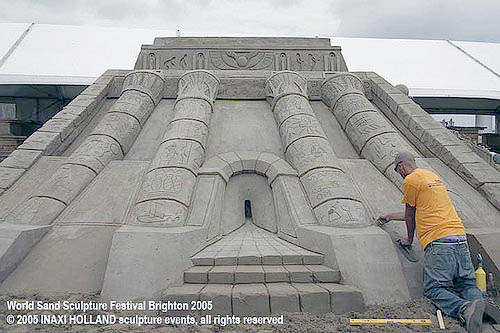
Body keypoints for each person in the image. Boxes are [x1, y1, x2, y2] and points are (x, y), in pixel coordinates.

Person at [379, 151, 485, 333]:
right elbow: (422, 209)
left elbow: (410, 214)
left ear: (402, 166)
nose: (399, 173)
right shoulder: (431, 176)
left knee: (434, 289)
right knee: (466, 283)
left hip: (439, 241)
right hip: (459, 236)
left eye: (398, 170)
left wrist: (409, 239)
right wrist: (389, 216)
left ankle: (464, 309)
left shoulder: (410, 180)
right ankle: (481, 309)